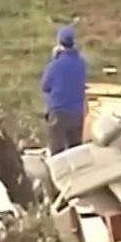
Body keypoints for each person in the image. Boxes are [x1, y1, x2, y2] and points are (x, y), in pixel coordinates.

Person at [40, 25, 87, 154]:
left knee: (57, 152)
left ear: (59, 43)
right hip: (77, 113)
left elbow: (45, 85)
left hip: (58, 113)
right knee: (75, 151)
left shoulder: (55, 64)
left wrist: (54, 58)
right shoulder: (81, 63)